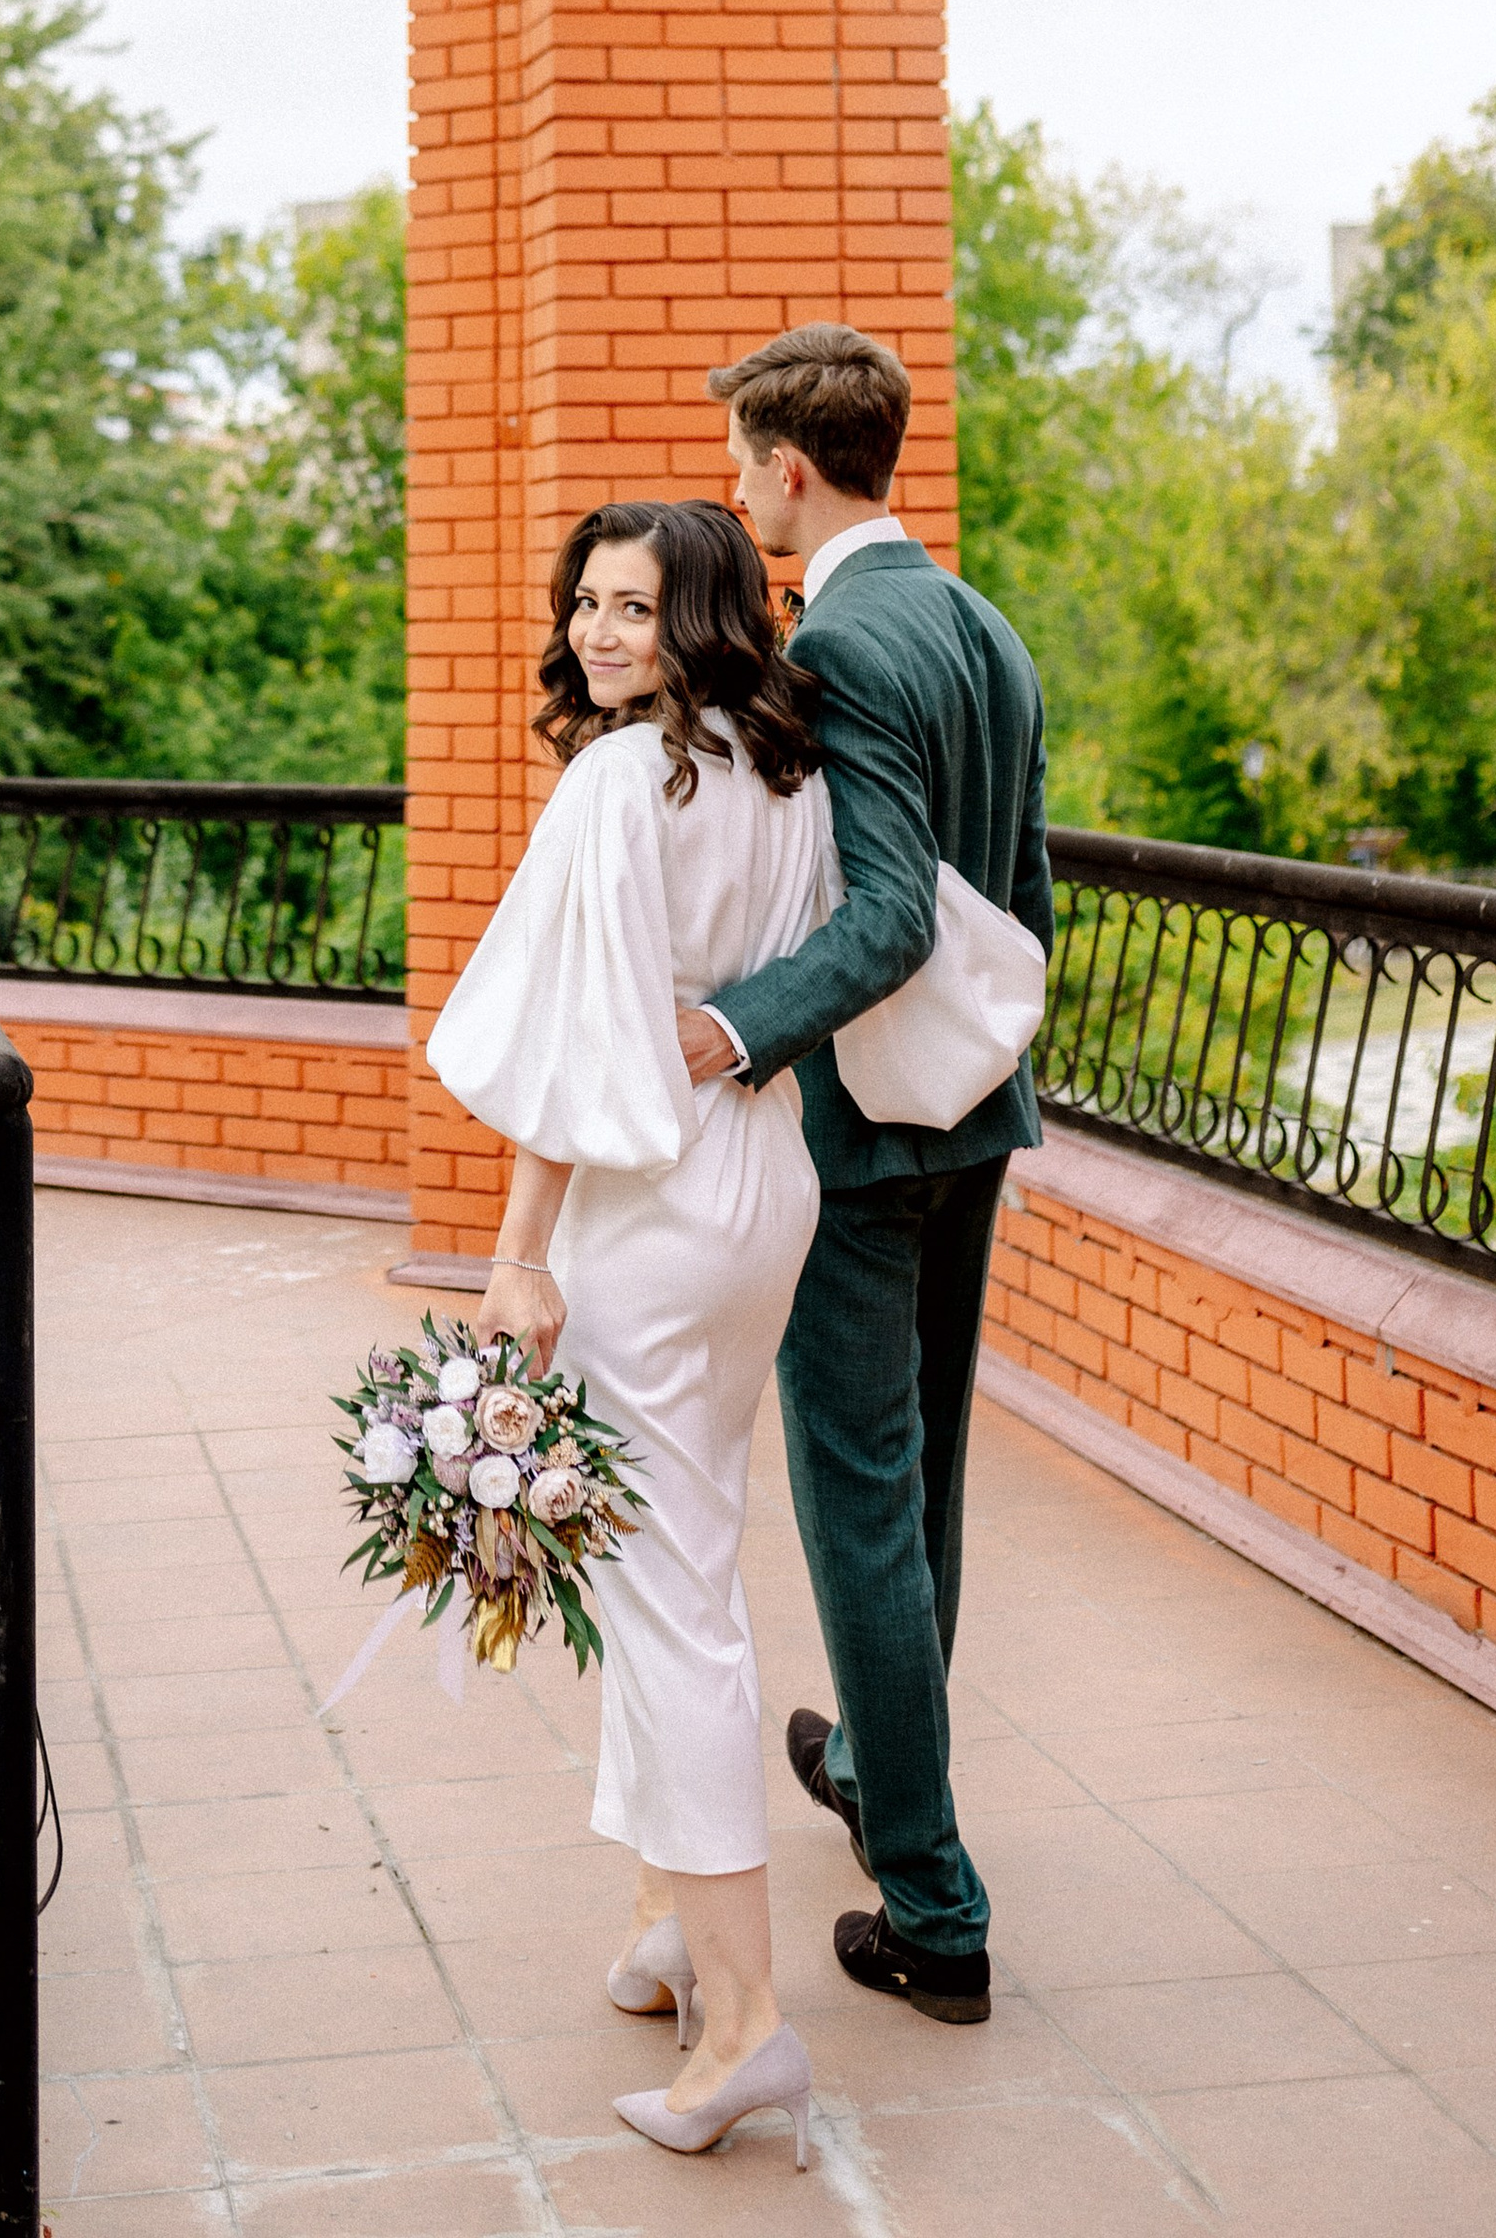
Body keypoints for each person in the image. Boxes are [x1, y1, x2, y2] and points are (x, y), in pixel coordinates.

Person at [430, 498, 831, 2168]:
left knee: (668, 1603)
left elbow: (575, 1042)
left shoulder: (619, 780)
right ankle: (671, 1920)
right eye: (586, 604)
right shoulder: (786, 773)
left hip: (651, 1215)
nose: (599, 634)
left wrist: (521, 1254)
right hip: (766, 1189)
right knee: (691, 1549)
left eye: (635, 608)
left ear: (705, 617)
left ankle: (744, 2026)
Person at [682, 322, 1049, 2028]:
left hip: (863, 1132)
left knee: (861, 1505)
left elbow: (894, 915)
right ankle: (888, 1778)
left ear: (793, 467)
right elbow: (1021, 896)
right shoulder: (984, 626)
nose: (738, 485)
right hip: (975, 1113)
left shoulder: (836, 647)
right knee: (929, 1489)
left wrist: (734, 1027)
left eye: (745, 460)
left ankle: (933, 1904)